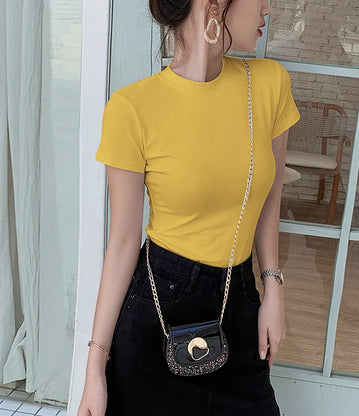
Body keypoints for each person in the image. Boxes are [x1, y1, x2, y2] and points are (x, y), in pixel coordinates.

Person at [78, 0, 300, 415]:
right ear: (212, 4)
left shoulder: (269, 84)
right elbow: (123, 242)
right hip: (158, 305)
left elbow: (270, 196)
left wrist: (273, 286)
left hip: (239, 299)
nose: (267, 7)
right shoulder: (132, 108)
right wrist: (94, 369)